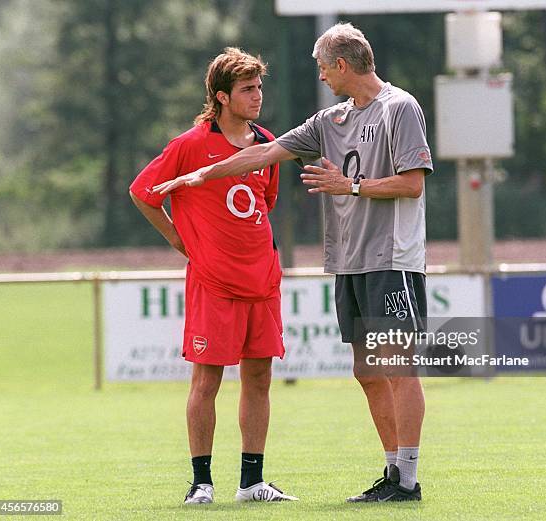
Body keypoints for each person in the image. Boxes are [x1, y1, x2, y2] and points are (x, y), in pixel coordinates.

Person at [153, 23, 433, 503]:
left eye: (323, 66)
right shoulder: (331, 120)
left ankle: (407, 479)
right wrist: (203, 172)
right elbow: (264, 151)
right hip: (349, 262)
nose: (321, 76)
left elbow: (412, 184)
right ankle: (392, 473)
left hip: (392, 259)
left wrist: (353, 187)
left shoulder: (399, 108)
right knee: (367, 372)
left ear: (342, 64)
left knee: (397, 365)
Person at [129, 47, 298, 505]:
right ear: (221, 96)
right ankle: (201, 483)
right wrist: (181, 240)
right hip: (214, 283)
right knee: (207, 382)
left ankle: (252, 482)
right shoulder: (189, 146)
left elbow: (266, 204)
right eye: (247, 89)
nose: (257, 95)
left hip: (262, 281)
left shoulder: (267, 141)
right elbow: (143, 193)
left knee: (259, 378)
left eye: (259, 86)